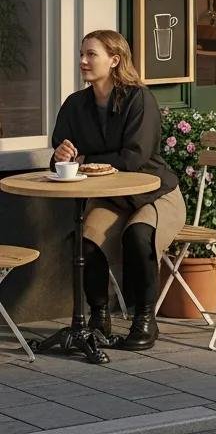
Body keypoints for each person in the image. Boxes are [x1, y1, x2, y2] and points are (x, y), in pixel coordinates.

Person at [51, 30, 186, 350]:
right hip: (112, 198)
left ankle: (144, 320)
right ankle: (98, 318)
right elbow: (60, 154)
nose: (83, 61)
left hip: (154, 192)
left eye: (91, 54)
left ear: (114, 60)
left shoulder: (139, 99)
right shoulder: (75, 105)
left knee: (138, 235)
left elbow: (133, 158)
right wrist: (61, 156)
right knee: (86, 242)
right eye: (82, 54)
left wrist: (85, 161)